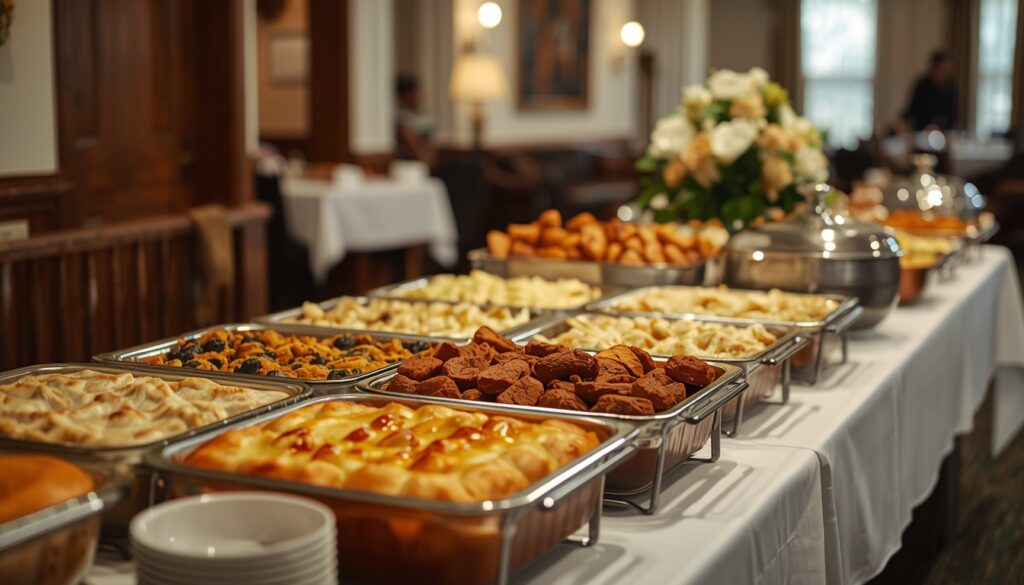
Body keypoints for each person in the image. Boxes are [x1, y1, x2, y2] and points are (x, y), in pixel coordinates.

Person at [901, 50, 958, 131]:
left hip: (944, 132)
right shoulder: (922, 85)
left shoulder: (950, 87)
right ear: (934, 67)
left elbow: (953, 116)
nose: (943, 73)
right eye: (941, 69)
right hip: (922, 131)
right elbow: (912, 109)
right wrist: (902, 121)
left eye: (946, 70)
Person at [394, 74, 436, 167]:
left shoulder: (424, 117)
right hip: (407, 167)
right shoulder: (399, 119)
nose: (421, 95)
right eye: (417, 92)